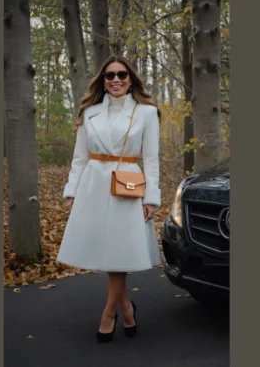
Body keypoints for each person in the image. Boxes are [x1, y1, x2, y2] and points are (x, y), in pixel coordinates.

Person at [56, 56, 162, 343]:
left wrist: (152, 198)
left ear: (131, 80)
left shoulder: (147, 113)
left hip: (128, 185)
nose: (116, 80)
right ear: (102, 81)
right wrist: (71, 190)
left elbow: (151, 159)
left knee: (119, 249)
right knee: (108, 249)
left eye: (122, 75)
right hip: (93, 185)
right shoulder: (89, 112)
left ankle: (108, 313)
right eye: (110, 75)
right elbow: (79, 158)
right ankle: (126, 307)